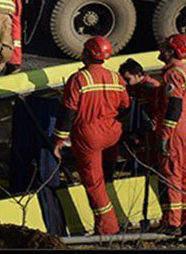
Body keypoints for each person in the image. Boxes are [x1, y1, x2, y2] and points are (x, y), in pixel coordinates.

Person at [52, 37, 130, 236]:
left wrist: (58, 142)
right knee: (106, 176)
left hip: (89, 136)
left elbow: (67, 114)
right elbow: (125, 107)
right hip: (112, 133)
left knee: (94, 184)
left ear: (87, 53)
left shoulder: (79, 79)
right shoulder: (116, 78)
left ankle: (107, 229)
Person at [152, 34, 186, 237]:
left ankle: (173, 223)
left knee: (172, 175)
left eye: (165, 47)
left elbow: (174, 105)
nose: (161, 50)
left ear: (171, 51)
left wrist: (165, 133)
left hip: (176, 128)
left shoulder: (172, 74)